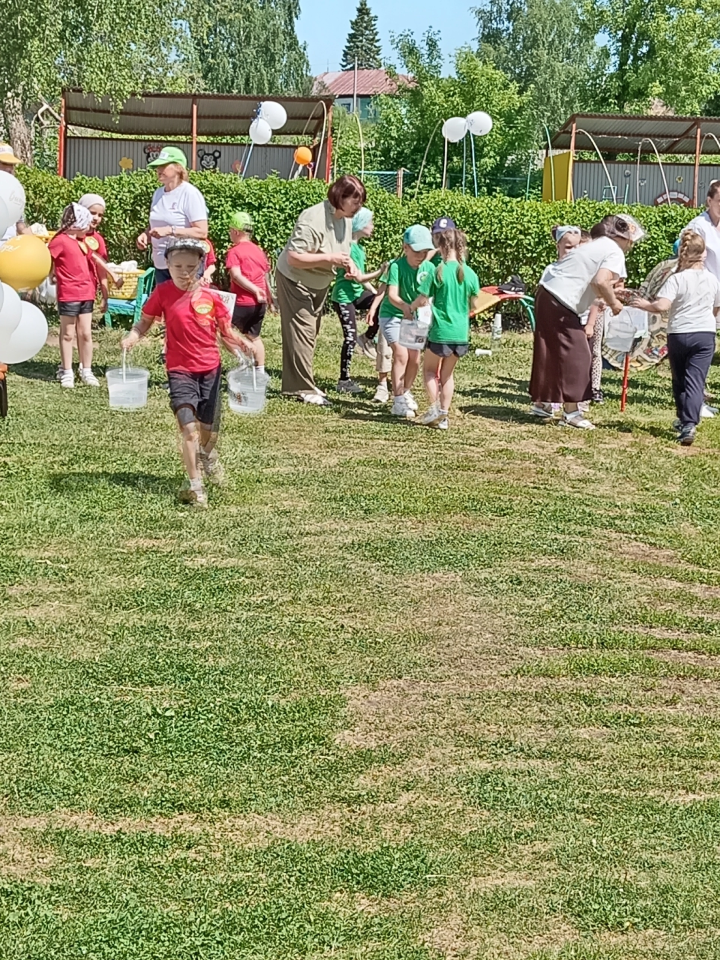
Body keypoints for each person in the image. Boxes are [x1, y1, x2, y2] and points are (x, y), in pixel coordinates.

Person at [121, 239, 251, 508]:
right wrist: (134, 335)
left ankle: (208, 457)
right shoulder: (163, 292)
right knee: (189, 429)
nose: (184, 272)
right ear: (167, 265)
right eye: (177, 266)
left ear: (201, 266)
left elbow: (225, 334)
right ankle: (195, 486)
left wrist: (240, 343)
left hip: (210, 370)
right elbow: (145, 321)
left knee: (208, 431)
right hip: (179, 371)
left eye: (190, 266)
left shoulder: (212, 297)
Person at [529, 214, 642, 429]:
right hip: (561, 300)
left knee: (551, 351)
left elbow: (594, 281)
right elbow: (601, 281)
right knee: (579, 355)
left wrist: (614, 296)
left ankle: (542, 403)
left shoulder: (600, 245)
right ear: (625, 238)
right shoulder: (614, 251)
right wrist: (615, 304)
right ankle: (571, 413)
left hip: (548, 293)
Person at [275, 175, 365, 405]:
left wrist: (350, 265)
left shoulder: (344, 218)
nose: (358, 207)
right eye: (355, 202)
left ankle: (300, 382)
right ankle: (303, 388)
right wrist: (329, 258)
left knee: (309, 333)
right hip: (295, 279)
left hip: (319, 282)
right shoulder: (312, 218)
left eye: (360, 202)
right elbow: (294, 257)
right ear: (339, 197)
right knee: (302, 332)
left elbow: (343, 251)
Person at [633, 231, 720, 446]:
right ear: (704, 253)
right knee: (696, 379)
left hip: (679, 332)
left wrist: (644, 305)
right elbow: (716, 307)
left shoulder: (677, 279)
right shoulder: (712, 279)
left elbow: (662, 305)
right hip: (704, 333)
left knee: (679, 379)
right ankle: (690, 422)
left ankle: (684, 419)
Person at [415, 228, 480, 430]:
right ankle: (444, 414)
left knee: (429, 371)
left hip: (440, 332)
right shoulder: (469, 273)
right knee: (447, 375)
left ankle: (434, 409)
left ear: (440, 247)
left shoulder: (438, 271)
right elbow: (475, 305)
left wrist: (411, 306)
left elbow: (422, 299)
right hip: (460, 334)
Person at [49, 204, 119, 389]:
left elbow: (95, 258)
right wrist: (51, 274)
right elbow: (48, 258)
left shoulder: (81, 243)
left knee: (86, 333)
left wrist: (113, 275)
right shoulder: (60, 241)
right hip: (68, 293)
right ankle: (66, 371)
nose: (90, 227)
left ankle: (86, 370)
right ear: (77, 223)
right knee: (68, 334)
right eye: (87, 223)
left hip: (86, 293)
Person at [378, 225, 436, 419]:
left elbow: (431, 294)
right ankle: (397, 399)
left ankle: (405, 391)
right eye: (417, 251)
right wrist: (405, 307)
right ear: (405, 248)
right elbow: (392, 295)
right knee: (401, 354)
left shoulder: (429, 268)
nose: (421, 256)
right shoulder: (396, 266)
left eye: (425, 252)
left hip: (415, 317)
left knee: (414, 358)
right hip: (392, 315)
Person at [331, 206, 386, 393]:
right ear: (360, 224)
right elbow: (359, 277)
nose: (373, 226)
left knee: (381, 305)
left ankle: (367, 338)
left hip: (356, 294)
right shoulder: (348, 249)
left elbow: (362, 281)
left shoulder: (360, 249)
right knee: (350, 338)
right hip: (343, 298)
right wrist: (381, 271)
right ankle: (343, 381)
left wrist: (376, 294)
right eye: (370, 222)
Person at [136, 147, 208, 284]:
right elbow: (156, 226)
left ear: (178, 168)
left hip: (184, 268)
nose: (158, 170)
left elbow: (202, 231)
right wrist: (146, 235)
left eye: (163, 166)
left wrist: (170, 230)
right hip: (161, 265)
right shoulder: (158, 193)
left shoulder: (190, 193)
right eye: (157, 166)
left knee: (183, 305)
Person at [225, 211, 274, 375]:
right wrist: (269, 296)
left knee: (222, 330)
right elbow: (265, 275)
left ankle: (242, 358)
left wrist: (254, 290)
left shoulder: (234, 251)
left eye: (230, 230)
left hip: (242, 302)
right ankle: (260, 371)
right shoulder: (258, 251)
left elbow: (236, 275)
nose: (230, 234)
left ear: (236, 232)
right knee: (255, 336)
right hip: (260, 304)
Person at [78, 193, 110, 313]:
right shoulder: (71, 235)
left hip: (89, 290)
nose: (96, 218)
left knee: (84, 330)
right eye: (92, 213)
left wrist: (105, 297)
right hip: (70, 290)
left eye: (100, 215)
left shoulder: (98, 239)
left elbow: (102, 270)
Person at [683, 180, 720, 281]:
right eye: (719, 201)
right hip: (707, 292)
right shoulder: (698, 227)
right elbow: (689, 264)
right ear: (709, 201)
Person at [0, 143, 31, 241]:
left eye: (12, 164)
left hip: (9, 248)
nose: (10, 168)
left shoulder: (14, 192)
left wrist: (34, 240)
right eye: (5, 163)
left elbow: (20, 225)